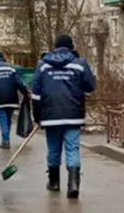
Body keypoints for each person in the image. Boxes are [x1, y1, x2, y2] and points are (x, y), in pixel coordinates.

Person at [32, 34, 96, 199]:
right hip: (73, 113)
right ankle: (73, 184)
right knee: (72, 148)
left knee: (53, 149)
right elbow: (90, 88)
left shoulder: (43, 65)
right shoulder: (80, 64)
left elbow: (36, 94)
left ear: (55, 46)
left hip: (50, 114)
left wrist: (37, 116)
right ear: (71, 46)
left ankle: (54, 182)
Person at [0, 50, 29, 149]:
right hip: (11, 98)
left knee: (3, 118)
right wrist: (25, 93)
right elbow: (19, 82)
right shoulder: (11, 68)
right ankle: (6, 138)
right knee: (8, 118)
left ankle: (5, 141)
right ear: (3, 58)